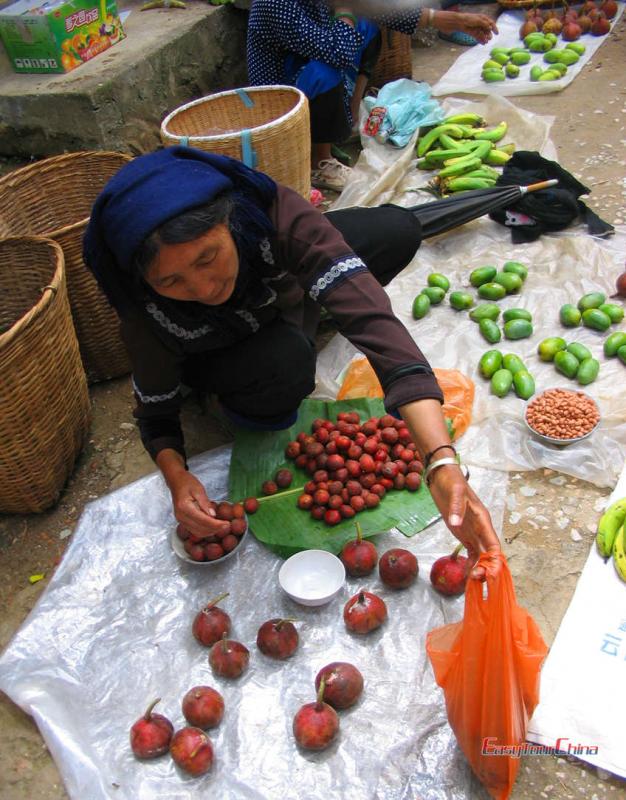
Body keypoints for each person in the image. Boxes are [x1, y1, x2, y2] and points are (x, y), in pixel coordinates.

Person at [83, 146, 500, 578]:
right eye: (171, 280)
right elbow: (155, 412)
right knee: (286, 363)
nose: (204, 286)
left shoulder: (272, 216)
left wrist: (440, 460)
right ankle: (248, 372)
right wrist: (177, 478)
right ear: (146, 282)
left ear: (230, 220)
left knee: (395, 230)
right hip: (218, 351)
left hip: (278, 287)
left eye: (207, 257)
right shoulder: (145, 310)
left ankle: (311, 300)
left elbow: (376, 324)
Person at [247, 0, 498, 191]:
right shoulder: (275, 4)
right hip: (282, 95)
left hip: (312, 65)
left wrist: (452, 20)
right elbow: (337, 53)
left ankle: (349, 118)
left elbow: (380, 9)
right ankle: (319, 162)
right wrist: (345, 9)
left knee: (367, 26)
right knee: (326, 69)